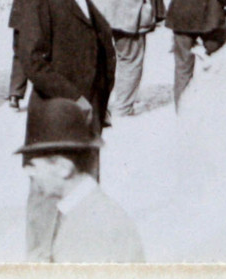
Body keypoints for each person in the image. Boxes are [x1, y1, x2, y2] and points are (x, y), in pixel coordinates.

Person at [15, 0, 117, 261]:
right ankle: (40, 260)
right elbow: (32, 61)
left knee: (84, 187)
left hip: (87, 112)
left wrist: (99, 100)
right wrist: (75, 98)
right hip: (56, 114)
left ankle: (78, 256)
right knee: (48, 189)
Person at [16, 97, 144, 263]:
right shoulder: (85, 208)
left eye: (34, 165)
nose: (29, 172)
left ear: (63, 168)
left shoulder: (89, 227)